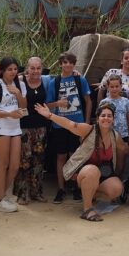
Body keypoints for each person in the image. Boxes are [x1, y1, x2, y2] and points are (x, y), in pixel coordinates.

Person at [34, 102, 127, 222]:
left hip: (102, 175)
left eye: (109, 116)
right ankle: (87, 209)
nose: (106, 118)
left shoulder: (115, 136)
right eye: (103, 115)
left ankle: (90, 194)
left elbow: (124, 149)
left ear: (113, 119)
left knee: (117, 188)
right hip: (82, 172)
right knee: (92, 170)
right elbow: (69, 124)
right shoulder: (88, 129)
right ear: (97, 118)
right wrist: (50, 115)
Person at [47, 52, 92, 204]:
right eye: (64, 62)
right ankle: (61, 188)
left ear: (74, 64)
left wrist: (86, 123)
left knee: (75, 156)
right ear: (60, 64)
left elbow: (88, 100)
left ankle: (76, 187)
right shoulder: (55, 82)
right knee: (61, 156)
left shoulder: (80, 79)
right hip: (59, 125)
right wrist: (57, 104)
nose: (68, 65)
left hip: (77, 125)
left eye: (71, 62)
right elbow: (47, 105)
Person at [0, 57, 27, 213]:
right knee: (3, 164)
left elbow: (24, 106)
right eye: (9, 69)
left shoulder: (20, 84)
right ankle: (0, 199)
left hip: (15, 128)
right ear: (2, 70)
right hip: (1, 128)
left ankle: (3, 194)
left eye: (15, 69)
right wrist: (9, 114)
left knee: (15, 165)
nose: (13, 72)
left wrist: (17, 94)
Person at [13, 56, 50, 205]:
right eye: (32, 68)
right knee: (24, 160)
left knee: (38, 160)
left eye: (38, 68)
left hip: (40, 127)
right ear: (27, 68)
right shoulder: (20, 82)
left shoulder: (46, 81)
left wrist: (76, 74)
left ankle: (36, 192)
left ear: (42, 68)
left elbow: (64, 74)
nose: (35, 71)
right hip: (24, 126)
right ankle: (21, 194)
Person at [98, 48, 129, 131]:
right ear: (121, 61)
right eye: (126, 58)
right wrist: (100, 110)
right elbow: (101, 91)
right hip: (111, 116)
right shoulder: (112, 73)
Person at [101, 74, 129, 142]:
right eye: (112, 87)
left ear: (121, 86)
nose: (114, 89)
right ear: (108, 87)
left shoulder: (126, 101)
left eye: (117, 86)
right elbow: (101, 120)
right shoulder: (103, 102)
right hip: (109, 136)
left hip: (124, 136)